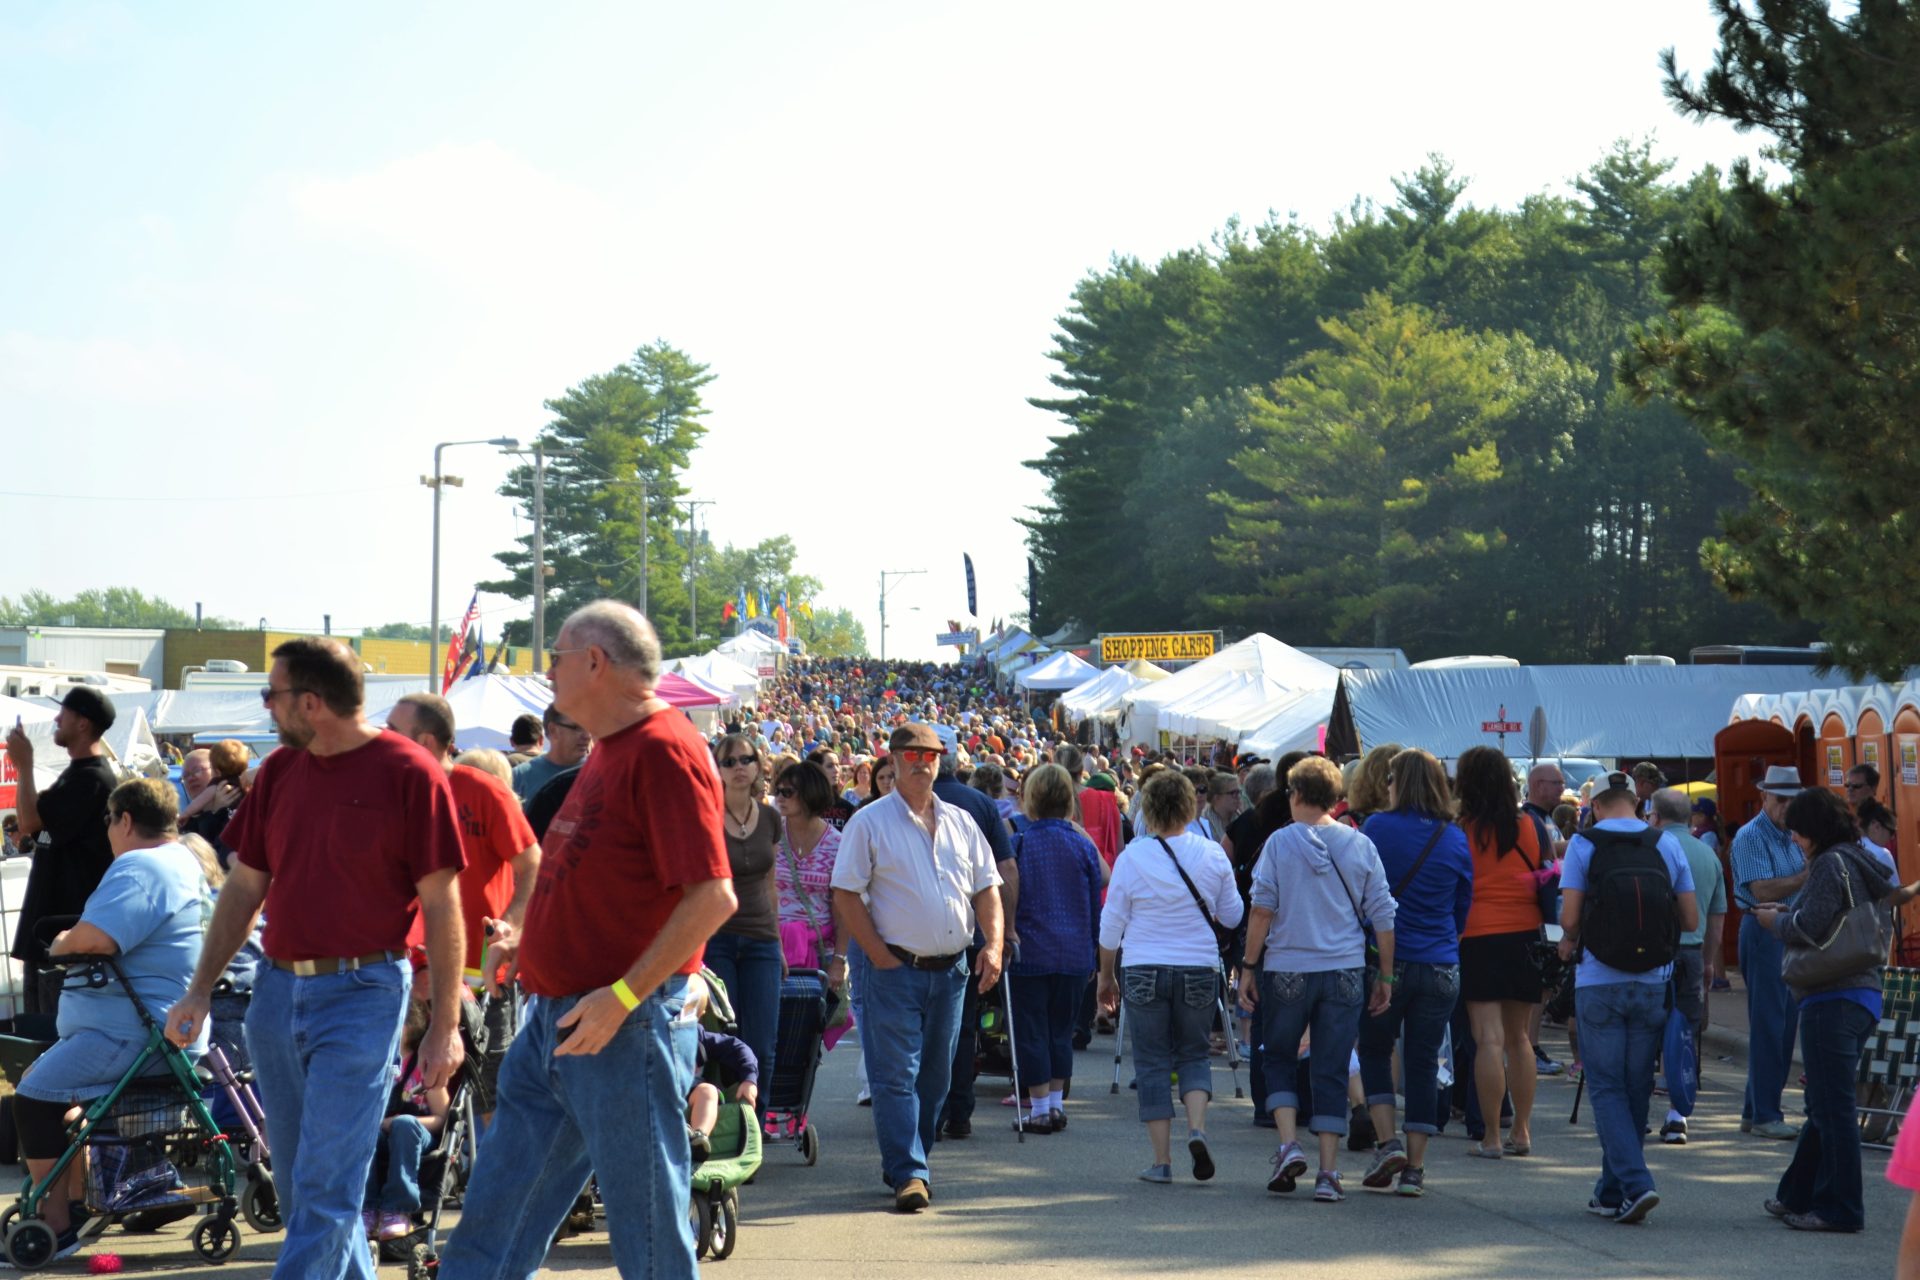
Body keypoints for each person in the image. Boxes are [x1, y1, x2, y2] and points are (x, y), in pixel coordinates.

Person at [437, 602, 736, 1276]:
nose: (547, 675)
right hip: (562, 1021)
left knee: (649, 1235)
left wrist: (624, 996)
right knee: (492, 1220)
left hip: (618, 1029)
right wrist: (528, 934)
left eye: (556, 660)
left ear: (595, 662)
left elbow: (713, 895)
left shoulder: (663, 750)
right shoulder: (615, 749)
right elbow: (593, 874)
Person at [164, 638, 466, 1280]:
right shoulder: (277, 773)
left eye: (271, 695)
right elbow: (245, 886)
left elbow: (443, 907)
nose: (266, 708)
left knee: (327, 1190)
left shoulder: (410, 772)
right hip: (274, 999)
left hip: (364, 995)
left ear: (310, 703)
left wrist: (445, 1027)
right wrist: (197, 991)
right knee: (308, 1192)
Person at [11, 778, 210, 1261]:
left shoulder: (141, 866)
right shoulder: (184, 859)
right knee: (65, 1107)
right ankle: (75, 1204)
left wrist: (61, 941)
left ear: (124, 819)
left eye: (108, 820)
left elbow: (95, 939)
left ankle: (57, 1225)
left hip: (133, 1034)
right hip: (158, 1029)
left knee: (33, 1096)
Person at [830, 722, 1004, 1213]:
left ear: (941, 760)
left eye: (931, 756)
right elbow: (845, 892)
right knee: (895, 1076)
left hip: (951, 972)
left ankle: (910, 1160)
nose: (922, 764)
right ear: (893, 758)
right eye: (912, 756)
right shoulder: (870, 821)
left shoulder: (961, 820)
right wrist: (878, 955)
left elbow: (987, 887)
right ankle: (909, 1171)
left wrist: (991, 945)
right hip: (895, 970)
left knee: (936, 1078)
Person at [1239, 755, 1394, 1203]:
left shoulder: (1278, 844)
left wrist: (1249, 966)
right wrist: (1385, 974)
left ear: (1297, 795)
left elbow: (1262, 909)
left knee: (1280, 1056)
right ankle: (1329, 1172)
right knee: (1331, 1066)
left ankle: (1288, 1145)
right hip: (1344, 969)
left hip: (1288, 967)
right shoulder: (1360, 844)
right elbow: (1383, 914)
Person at [386, 692, 541, 1125]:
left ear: (429, 741)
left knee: (490, 1089)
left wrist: (509, 926)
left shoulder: (483, 790)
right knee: (417, 1087)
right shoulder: (391, 795)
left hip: (483, 967)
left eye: (394, 734)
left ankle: (491, 1186)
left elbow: (533, 864)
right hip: (413, 969)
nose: (384, 742)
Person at [1555, 770, 1698, 1224]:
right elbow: (1691, 919)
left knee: (1606, 1086)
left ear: (1595, 806)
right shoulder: (1665, 844)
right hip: (1653, 979)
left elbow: (1571, 919)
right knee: (1635, 1086)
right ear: (1637, 803)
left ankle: (1636, 1183)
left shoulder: (1585, 845)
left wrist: (1566, 939)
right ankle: (1611, 1190)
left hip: (1599, 979)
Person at [1752, 786, 1895, 1233]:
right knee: (1824, 1104)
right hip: (1862, 993)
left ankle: (1840, 1209)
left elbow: (1809, 926)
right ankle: (1797, 1193)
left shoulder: (1830, 863)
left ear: (1813, 830)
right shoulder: (1859, 858)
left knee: (1831, 1109)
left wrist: (1774, 920)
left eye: (1797, 832)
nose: (1794, 839)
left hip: (1831, 993)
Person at [1098, 769, 1243, 1183]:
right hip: (1197, 964)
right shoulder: (1213, 853)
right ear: (1187, 805)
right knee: (1194, 1054)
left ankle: (1162, 1161)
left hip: (1143, 964)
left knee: (1152, 1062)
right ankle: (1196, 1129)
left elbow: (1112, 925)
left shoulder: (1131, 858)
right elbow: (1233, 914)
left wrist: (1104, 977)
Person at [1356, 748, 1473, 1197]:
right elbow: (1463, 904)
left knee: (1375, 1049)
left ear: (1395, 782)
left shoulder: (1377, 828)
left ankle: (1388, 1144)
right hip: (1441, 961)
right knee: (1424, 1062)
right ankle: (1416, 1170)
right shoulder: (1453, 836)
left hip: (1387, 962)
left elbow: (1364, 892)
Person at [1454, 745, 1545, 1159]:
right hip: (1525, 933)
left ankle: (1491, 1136)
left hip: (1477, 933)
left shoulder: (1461, 828)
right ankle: (1522, 1131)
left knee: (1487, 1039)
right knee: (1520, 1039)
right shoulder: (1529, 825)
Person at [6, 687, 119, 1014]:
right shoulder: (76, 776)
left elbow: (27, 822)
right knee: (33, 1040)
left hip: (64, 938)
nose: (57, 719)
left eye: (64, 713)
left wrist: (25, 766)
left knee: (50, 1040)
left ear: (83, 724)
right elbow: (36, 823)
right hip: (49, 933)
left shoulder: (93, 779)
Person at [1006, 763, 1103, 1134]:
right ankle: (1057, 1106)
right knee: (1061, 1030)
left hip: (1030, 948)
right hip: (1075, 949)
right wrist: (1093, 948)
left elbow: (1008, 892)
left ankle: (1040, 1107)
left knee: (1032, 1029)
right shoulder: (1081, 842)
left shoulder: (1021, 841)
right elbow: (1098, 892)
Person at [932, 747, 1018, 1142]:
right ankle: (959, 1109)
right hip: (972, 929)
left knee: (920, 1025)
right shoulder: (982, 804)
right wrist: (1006, 930)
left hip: (920, 930)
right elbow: (1007, 870)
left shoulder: (905, 802)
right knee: (962, 1024)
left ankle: (929, 1109)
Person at [1732, 765, 1812, 1140]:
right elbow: (1762, 891)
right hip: (1765, 929)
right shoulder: (1751, 836)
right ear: (1764, 797)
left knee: (1783, 1025)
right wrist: (1806, 876)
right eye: (1780, 800)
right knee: (1770, 1026)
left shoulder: (1793, 835)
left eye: (1792, 801)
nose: (1786, 807)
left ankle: (1757, 1110)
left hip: (1788, 929)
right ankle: (1765, 1113)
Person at [1648, 786, 1728, 1144]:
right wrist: (1710, 963)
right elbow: (1716, 917)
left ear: (1655, 815)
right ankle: (1678, 1114)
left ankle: (1637, 1110)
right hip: (1692, 953)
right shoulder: (1707, 854)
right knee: (1684, 1033)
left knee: (1644, 1030)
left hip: (1651, 951)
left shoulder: (1649, 848)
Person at [706, 732, 783, 1086]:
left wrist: (778, 943)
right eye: (729, 761)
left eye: (746, 759)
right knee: (725, 1040)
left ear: (757, 766)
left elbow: (770, 883)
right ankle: (727, 1129)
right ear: (717, 769)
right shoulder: (704, 816)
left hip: (762, 938)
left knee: (764, 1043)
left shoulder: (770, 817)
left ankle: (758, 1128)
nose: (739, 767)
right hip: (717, 937)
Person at [363, 998, 451, 1242]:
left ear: (410, 1026)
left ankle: (397, 1209)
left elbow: (443, 1117)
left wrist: (405, 1119)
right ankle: (366, 1207)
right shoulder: (376, 1065)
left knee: (404, 1125)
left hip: (417, 1132)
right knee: (362, 1130)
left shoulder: (424, 1066)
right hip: (381, 1133)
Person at [509, 702, 591, 806]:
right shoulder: (520, 777)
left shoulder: (599, 772)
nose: (587, 736)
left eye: (589, 727)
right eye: (577, 728)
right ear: (553, 730)